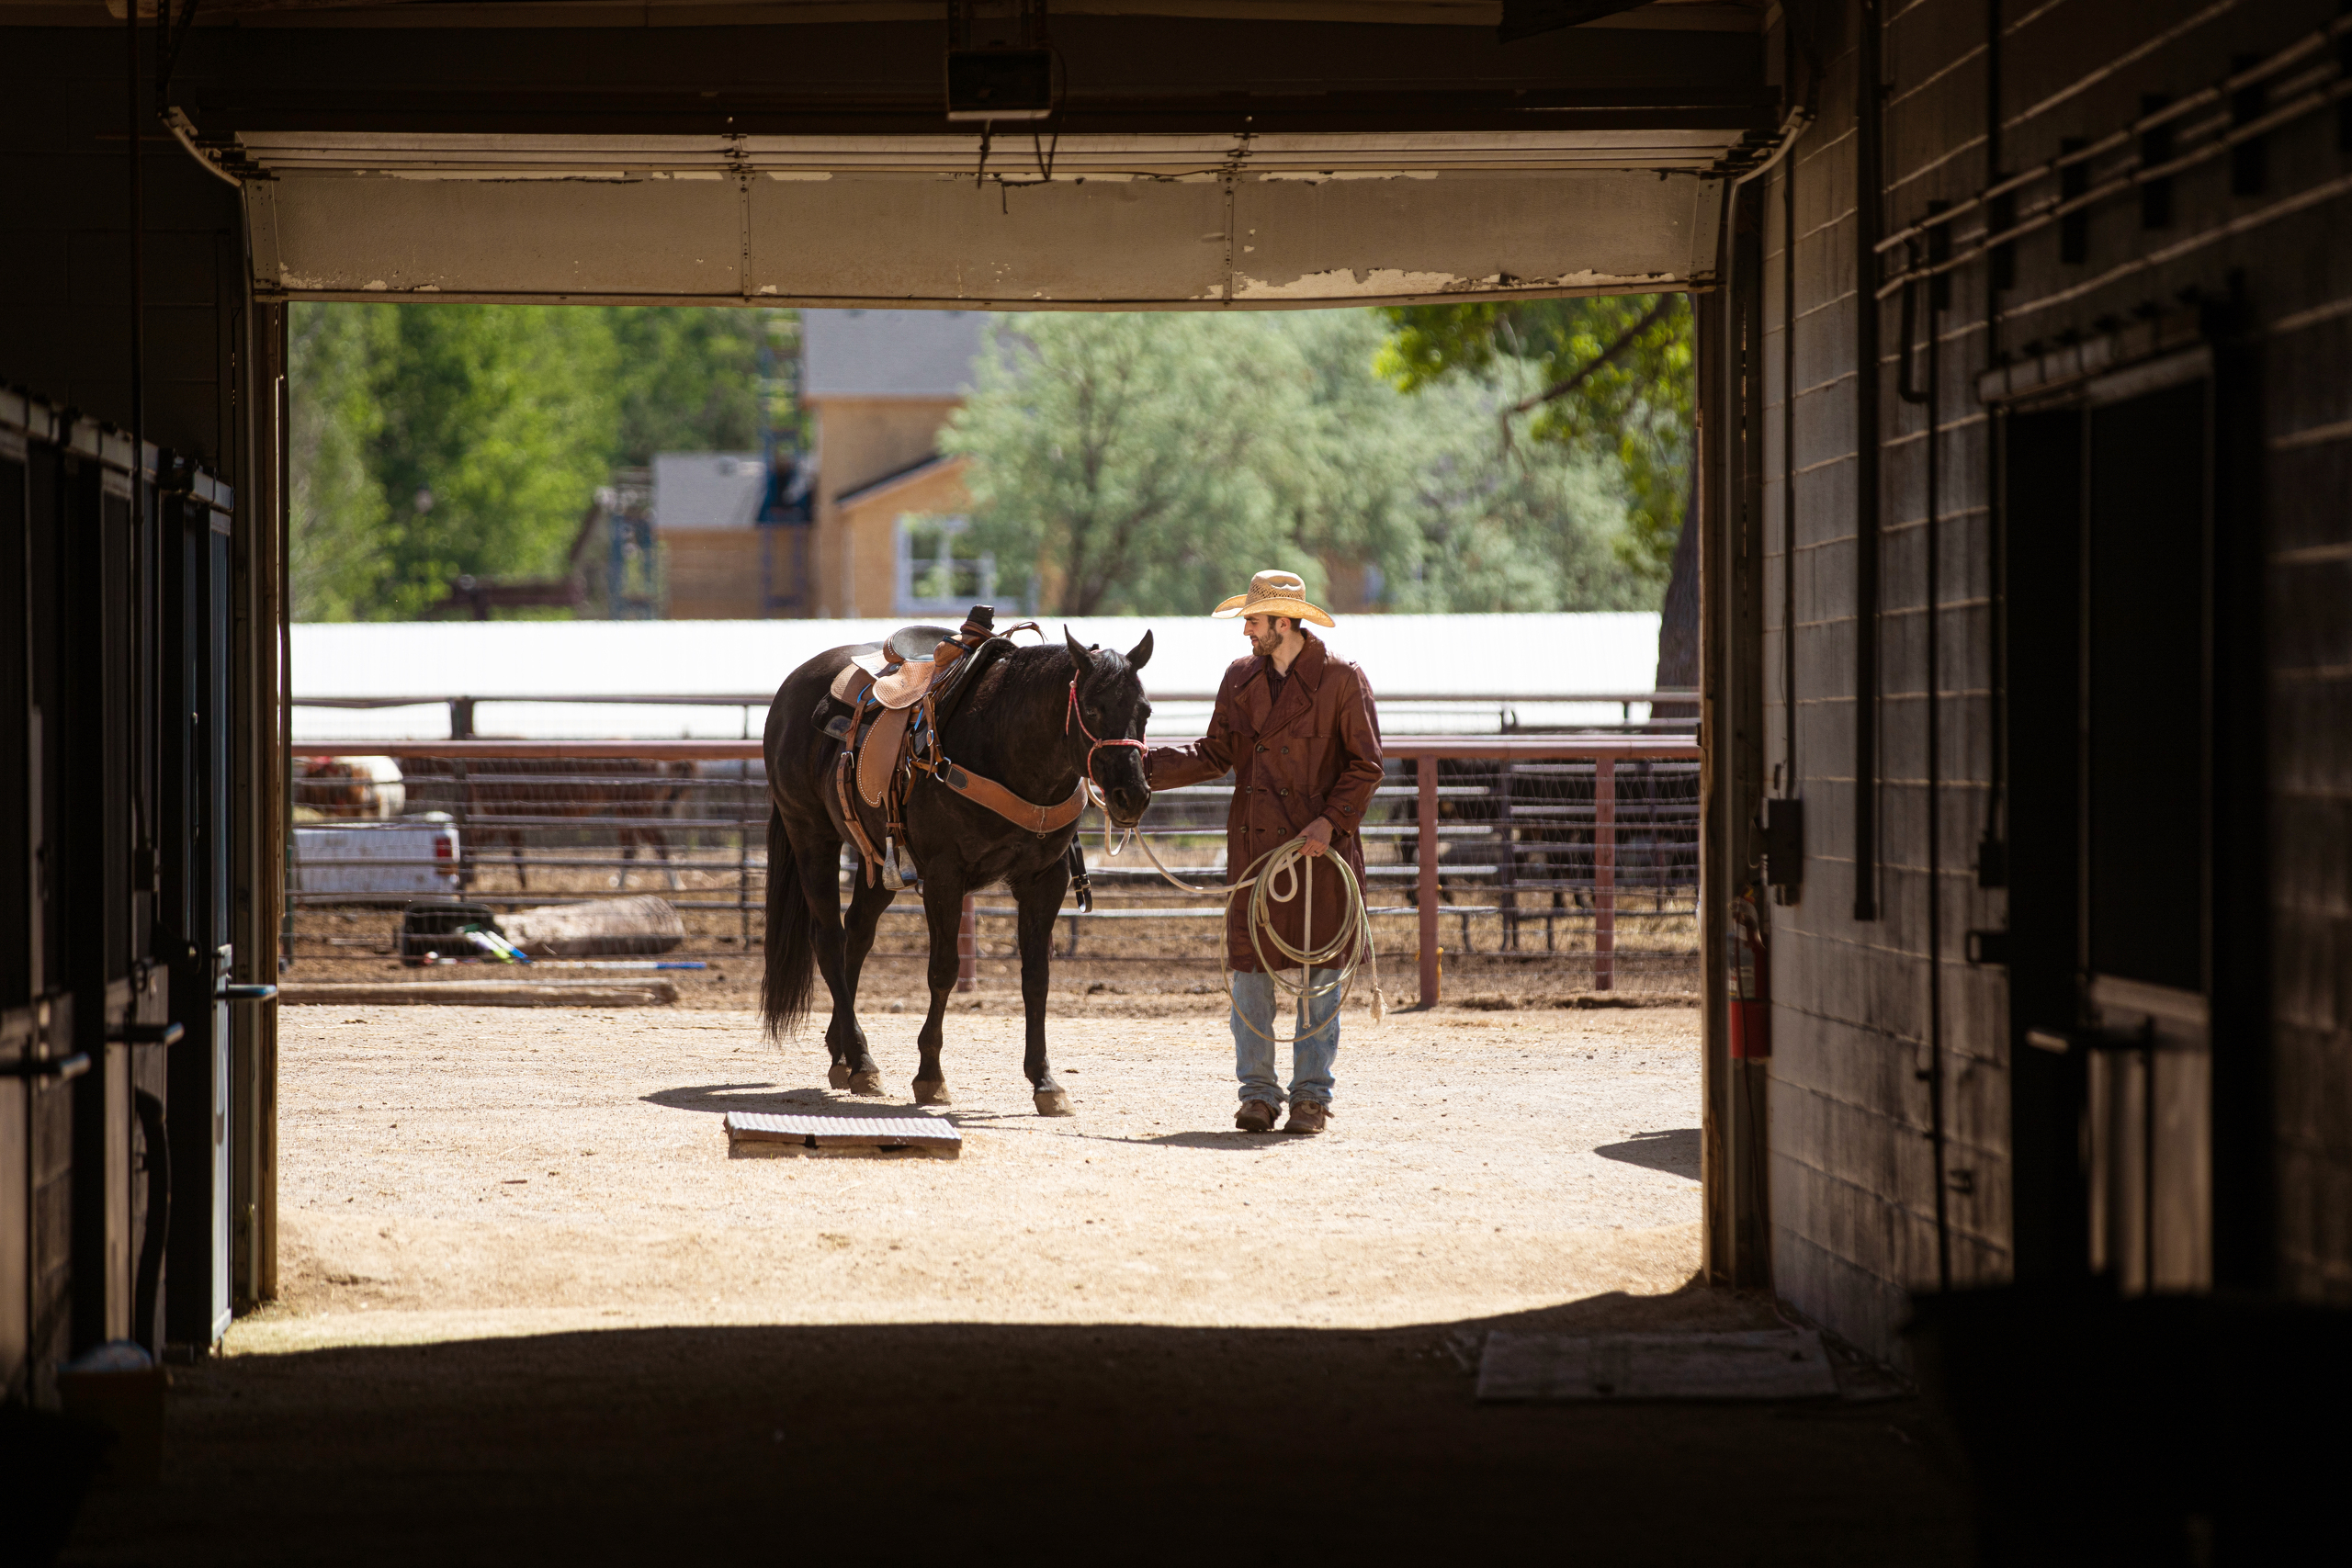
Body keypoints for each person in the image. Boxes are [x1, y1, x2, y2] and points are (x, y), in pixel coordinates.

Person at [1143, 570, 1384, 1134]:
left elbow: (1366, 765)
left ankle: (1310, 1098)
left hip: (1319, 856)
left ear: (1283, 621)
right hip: (1255, 855)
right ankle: (1257, 1094)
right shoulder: (1239, 678)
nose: (1245, 631)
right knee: (1250, 974)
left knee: (1318, 976)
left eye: (1252, 621)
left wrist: (1330, 822)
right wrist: (1142, 769)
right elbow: (1215, 752)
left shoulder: (1342, 680)